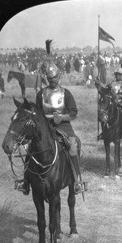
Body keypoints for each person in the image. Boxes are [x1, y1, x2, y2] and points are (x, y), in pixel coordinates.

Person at [16, 64, 82, 195]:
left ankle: (76, 182)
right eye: (50, 78)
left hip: (63, 126)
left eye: (55, 77)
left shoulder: (65, 93)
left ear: (59, 76)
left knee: (73, 146)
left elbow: (73, 112)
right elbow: (38, 114)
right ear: (47, 78)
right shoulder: (41, 94)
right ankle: (26, 181)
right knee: (31, 148)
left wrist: (62, 117)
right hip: (45, 127)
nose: (53, 80)